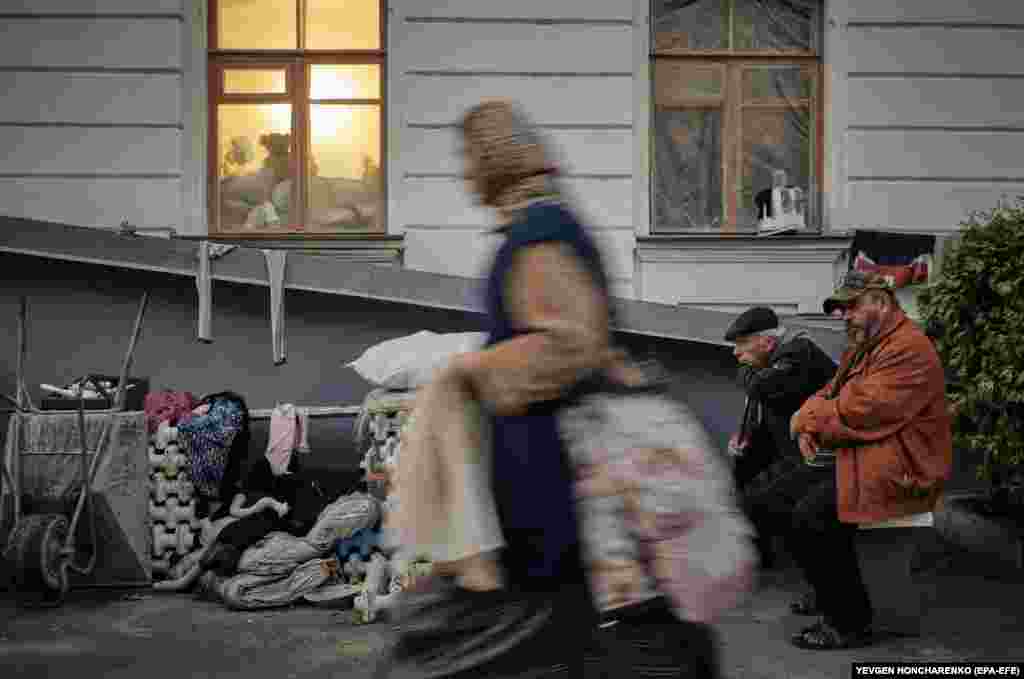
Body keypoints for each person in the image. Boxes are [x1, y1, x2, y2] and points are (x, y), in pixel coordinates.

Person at [781, 271, 952, 650]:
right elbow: (831, 392)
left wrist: (806, 420)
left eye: (851, 306)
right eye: (840, 309)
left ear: (882, 302)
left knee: (812, 517)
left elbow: (864, 410)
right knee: (776, 495)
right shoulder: (868, 343)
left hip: (904, 467)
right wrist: (808, 418)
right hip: (872, 453)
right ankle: (825, 592)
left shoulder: (909, 347)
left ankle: (849, 623)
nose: (844, 316)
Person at [724, 306, 837, 568]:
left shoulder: (798, 351)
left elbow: (760, 386)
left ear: (768, 342)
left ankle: (820, 584)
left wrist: (751, 375)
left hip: (826, 461)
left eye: (742, 344)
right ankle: (761, 558)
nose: (735, 352)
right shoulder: (772, 359)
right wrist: (744, 437)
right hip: (795, 450)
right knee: (745, 468)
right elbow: (765, 394)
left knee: (785, 508)